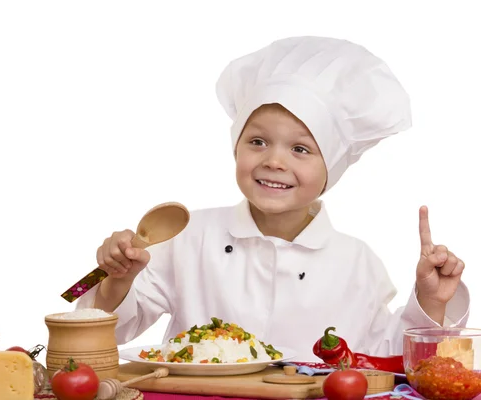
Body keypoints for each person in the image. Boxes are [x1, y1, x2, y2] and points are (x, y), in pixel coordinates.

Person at [74, 36, 470, 361]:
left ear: (332, 167)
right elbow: (91, 318)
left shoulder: (356, 261)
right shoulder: (185, 235)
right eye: (258, 141)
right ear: (236, 148)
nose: (274, 161)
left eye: (300, 149)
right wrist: (112, 276)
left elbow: (389, 357)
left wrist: (431, 302)